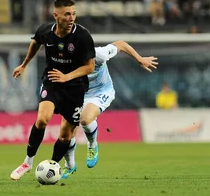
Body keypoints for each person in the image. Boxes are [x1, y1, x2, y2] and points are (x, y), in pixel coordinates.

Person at [10, 0, 96, 181]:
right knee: (42, 119)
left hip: (75, 87)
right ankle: (27, 162)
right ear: (56, 15)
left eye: (73, 13)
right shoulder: (45, 31)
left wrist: (67, 76)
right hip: (52, 82)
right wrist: (24, 64)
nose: (71, 17)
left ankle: (53, 166)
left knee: (65, 135)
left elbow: (89, 66)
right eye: (67, 14)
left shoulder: (83, 36)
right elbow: (35, 43)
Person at [61, 41, 158, 179]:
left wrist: (140, 59)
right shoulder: (66, 63)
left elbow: (121, 44)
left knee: (85, 119)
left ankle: (92, 145)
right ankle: (70, 166)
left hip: (101, 92)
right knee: (66, 134)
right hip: (78, 95)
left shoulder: (99, 54)